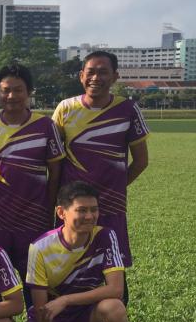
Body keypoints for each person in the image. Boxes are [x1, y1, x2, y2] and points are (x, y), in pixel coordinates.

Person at [20, 181, 130, 322]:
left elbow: (116, 289)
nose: (90, 216)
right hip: (51, 319)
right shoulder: (40, 248)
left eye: (94, 210)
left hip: (83, 316)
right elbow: (41, 311)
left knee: (115, 309)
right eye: (82, 210)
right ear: (61, 212)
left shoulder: (106, 236)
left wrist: (66, 300)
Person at [52, 51, 149, 301]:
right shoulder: (65, 109)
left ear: (115, 76)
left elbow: (141, 161)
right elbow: (54, 159)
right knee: (66, 269)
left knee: (113, 272)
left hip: (110, 207)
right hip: (72, 209)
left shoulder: (127, 109)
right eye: (91, 72)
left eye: (103, 72)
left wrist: (116, 187)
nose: (96, 77)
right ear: (81, 76)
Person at [0, 63, 65, 309]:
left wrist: (50, 211)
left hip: (34, 221)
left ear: (29, 91)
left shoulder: (46, 126)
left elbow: (55, 173)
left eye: (18, 90)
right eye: (5, 90)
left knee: (36, 281)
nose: (11, 96)